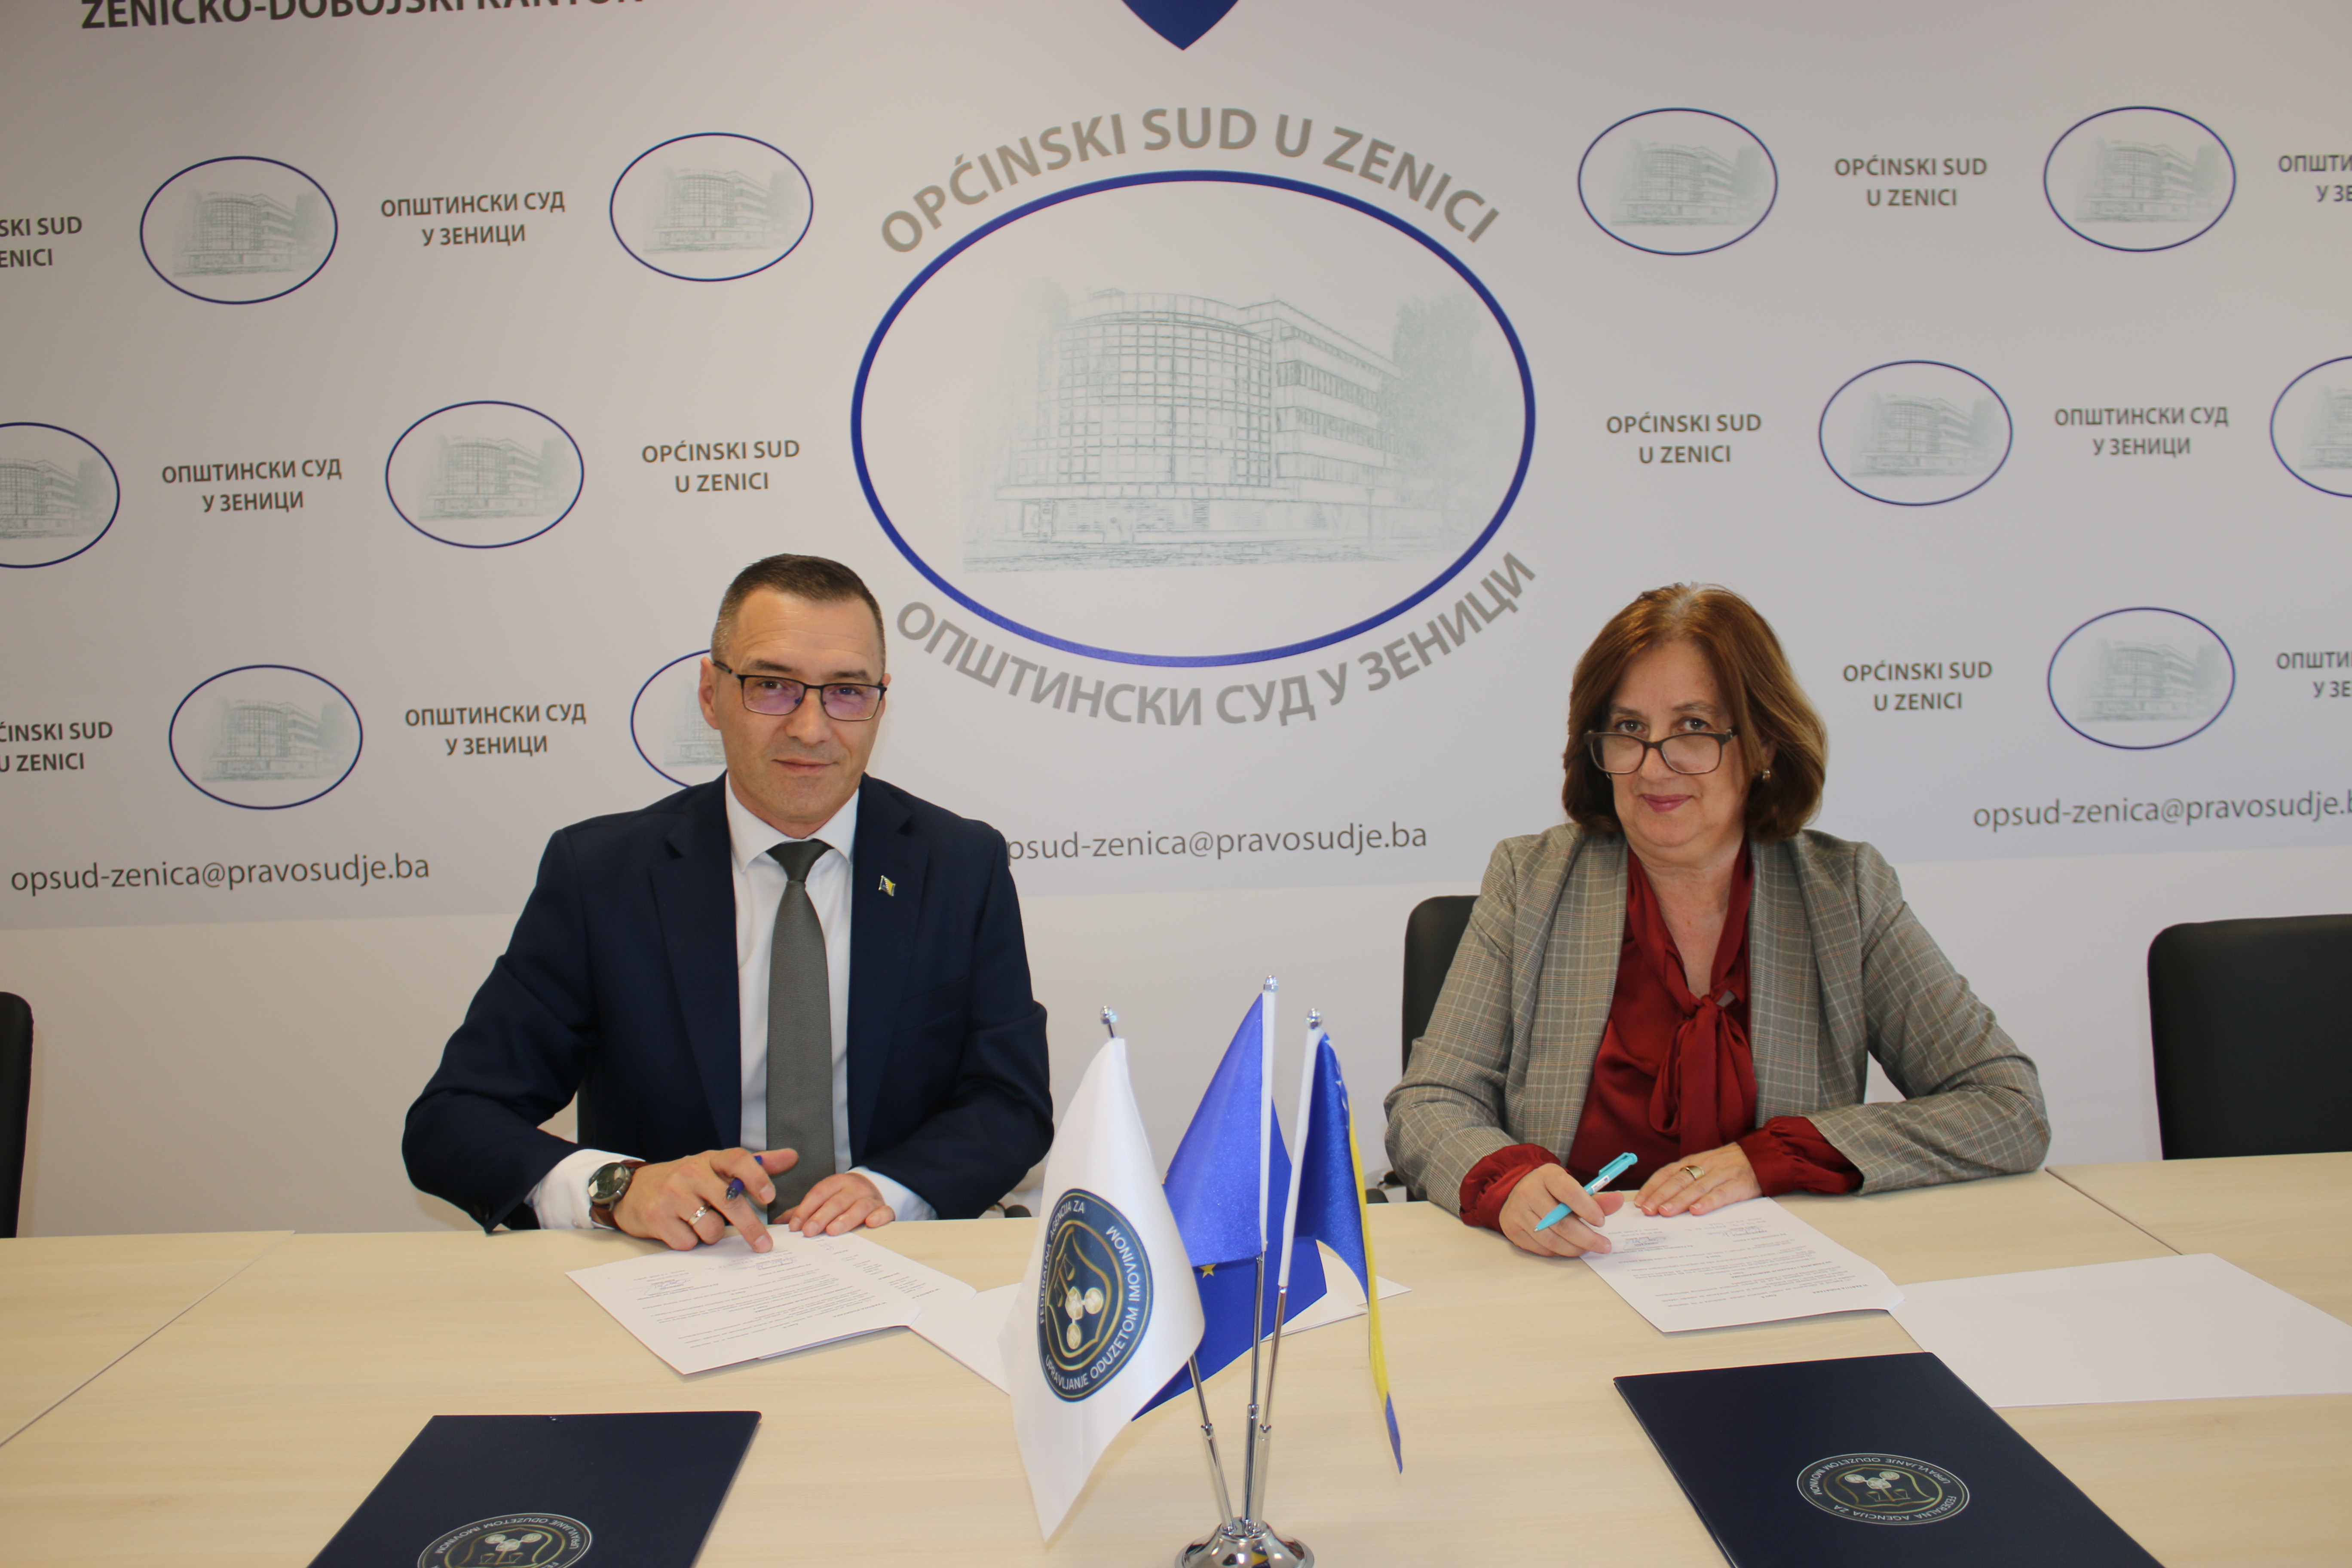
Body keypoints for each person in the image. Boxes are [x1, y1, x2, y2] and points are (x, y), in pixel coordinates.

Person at [404, 554, 1053, 1250]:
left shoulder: (960, 866)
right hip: (672, 1271)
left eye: (845, 692)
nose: (810, 728)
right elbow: (454, 1121)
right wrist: (621, 1189)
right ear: (711, 695)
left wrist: (890, 1190)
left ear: (880, 703)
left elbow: (1010, 1104)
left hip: (893, 1257)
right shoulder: (602, 876)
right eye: (772, 687)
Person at [1383, 584, 2048, 1259]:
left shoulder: (1844, 893)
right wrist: (1511, 1184)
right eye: (1629, 730)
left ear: (1763, 745)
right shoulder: (1532, 880)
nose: (1654, 767)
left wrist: (1774, 1158)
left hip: (1785, 1275)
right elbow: (1431, 1102)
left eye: (1694, 728)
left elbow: (2008, 1107)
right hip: (1579, 1266)